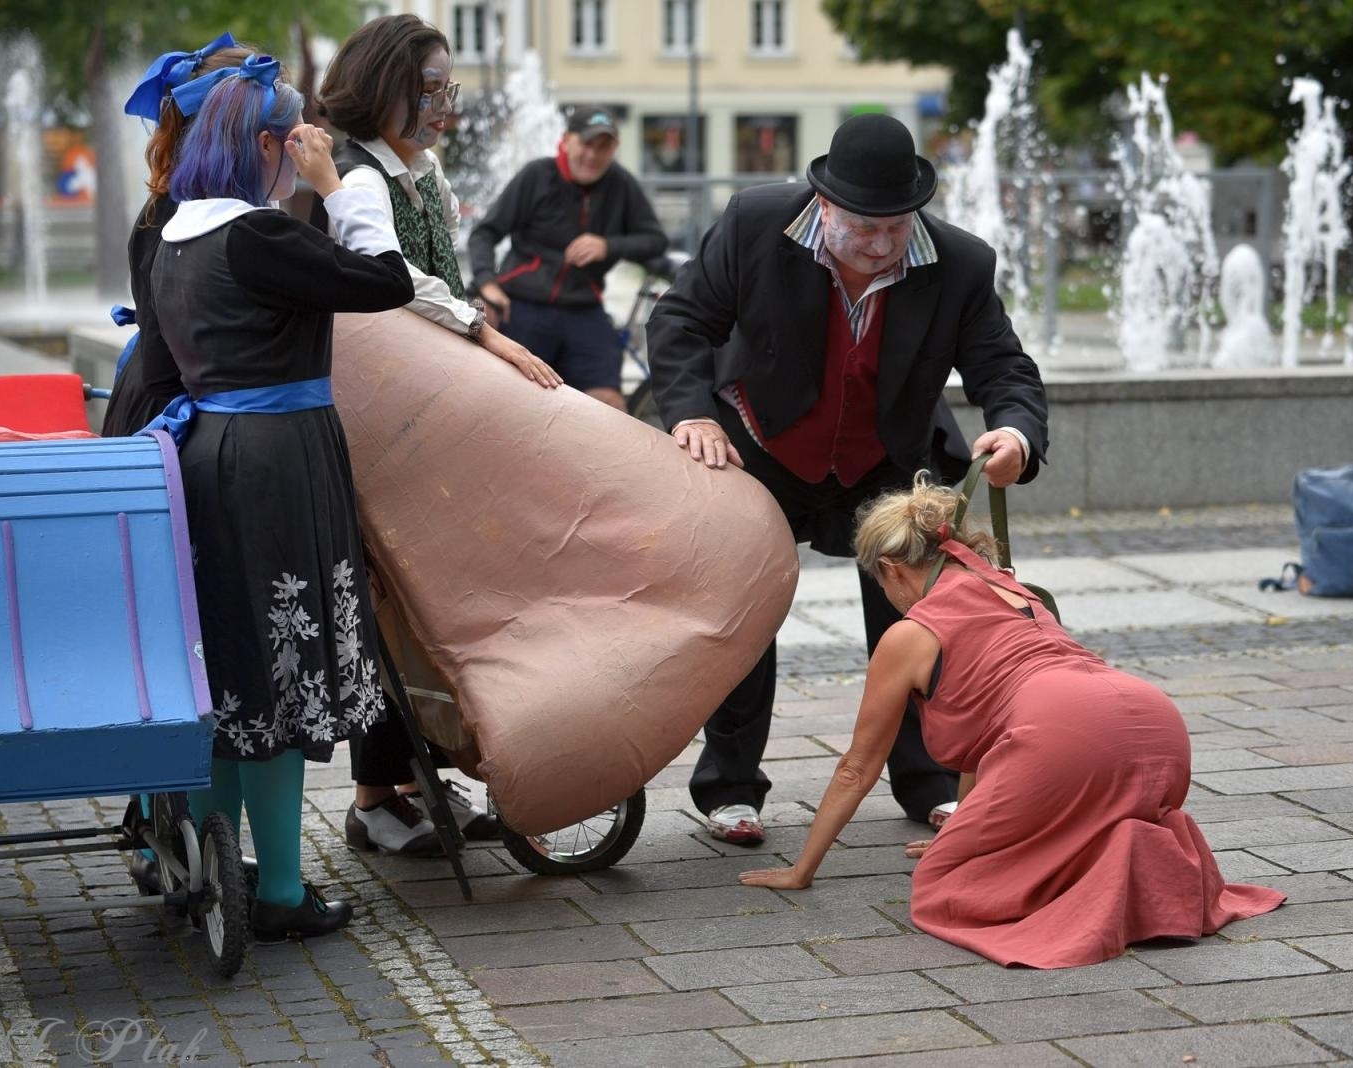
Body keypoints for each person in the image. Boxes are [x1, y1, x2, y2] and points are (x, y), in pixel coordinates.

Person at [646, 113, 1048, 843]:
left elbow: (1003, 365)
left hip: (886, 459)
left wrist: (1015, 430)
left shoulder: (959, 262)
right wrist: (692, 416)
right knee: (746, 610)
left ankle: (928, 780)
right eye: (863, 225)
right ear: (825, 204)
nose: (879, 243)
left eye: (896, 227)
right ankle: (730, 789)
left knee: (921, 617)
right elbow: (680, 323)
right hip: (762, 447)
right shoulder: (755, 223)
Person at [738, 475, 1285, 968]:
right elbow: (990, 738)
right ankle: (1145, 864)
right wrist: (973, 831)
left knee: (944, 888)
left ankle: (1117, 884)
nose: (888, 598)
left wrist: (801, 870)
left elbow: (859, 767)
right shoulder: (1014, 590)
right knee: (1055, 824)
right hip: (1156, 721)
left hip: (1068, 737)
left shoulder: (911, 635)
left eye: (882, 585)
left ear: (892, 570)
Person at [149, 55, 415, 940]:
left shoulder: (173, 231)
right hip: (275, 459)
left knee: (229, 671)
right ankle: (279, 895)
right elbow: (386, 281)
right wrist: (339, 184)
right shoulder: (255, 237)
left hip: (204, 454)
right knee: (280, 675)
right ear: (270, 143)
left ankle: (214, 872)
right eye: (297, 137)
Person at [317, 13, 560, 855]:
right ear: (385, 88)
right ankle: (374, 795)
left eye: (449, 90)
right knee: (395, 606)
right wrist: (485, 334)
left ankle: (419, 776)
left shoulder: (416, 169)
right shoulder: (356, 177)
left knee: (428, 611)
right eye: (432, 91)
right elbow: (398, 281)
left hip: (424, 414)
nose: (446, 108)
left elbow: (439, 277)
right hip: (381, 424)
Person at [103, 32, 255, 437]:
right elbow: (162, 365)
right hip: (166, 423)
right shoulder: (183, 212)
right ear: (230, 127)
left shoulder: (183, 203)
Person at [467, 106, 668, 410]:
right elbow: (484, 233)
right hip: (522, 304)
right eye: (587, 143)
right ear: (567, 141)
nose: (593, 155)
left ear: (614, 149)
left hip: (583, 308)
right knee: (518, 403)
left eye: (604, 147)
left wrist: (608, 246)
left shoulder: (621, 184)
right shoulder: (536, 175)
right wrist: (486, 283)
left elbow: (655, 240)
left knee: (609, 404)